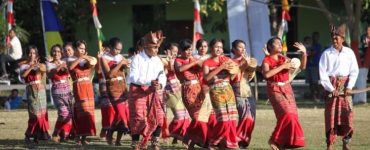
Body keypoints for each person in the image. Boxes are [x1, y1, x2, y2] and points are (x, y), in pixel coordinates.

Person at [261, 37, 307, 149]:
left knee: (293, 116)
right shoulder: (266, 61)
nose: (280, 45)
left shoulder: (284, 58)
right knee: (287, 114)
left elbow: (302, 67)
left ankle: (283, 143)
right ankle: (273, 140)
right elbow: (266, 75)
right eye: (277, 44)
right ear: (270, 47)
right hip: (274, 89)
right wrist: (282, 66)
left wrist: (304, 53)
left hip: (287, 88)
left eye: (280, 43)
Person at [319, 24, 359, 150]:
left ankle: (346, 143)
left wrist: (349, 87)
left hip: (345, 87)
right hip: (331, 88)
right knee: (331, 117)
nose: (335, 40)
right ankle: (330, 144)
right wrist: (331, 89)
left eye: (337, 38)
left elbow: (354, 71)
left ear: (343, 39)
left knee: (348, 114)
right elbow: (323, 74)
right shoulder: (326, 54)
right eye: (333, 38)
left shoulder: (349, 53)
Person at [127, 31, 166, 150]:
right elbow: (132, 77)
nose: (156, 50)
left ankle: (155, 143)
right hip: (138, 91)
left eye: (157, 47)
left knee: (159, 116)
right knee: (138, 117)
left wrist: (160, 84)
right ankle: (136, 144)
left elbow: (162, 75)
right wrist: (149, 81)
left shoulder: (157, 60)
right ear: (147, 46)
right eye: (154, 47)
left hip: (154, 91)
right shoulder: (137, 58)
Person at [202, 38, 239, 149]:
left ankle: (230, 143)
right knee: (223, 119)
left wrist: (234, 69)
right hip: (216, 90)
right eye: (216, 47)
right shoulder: (207, 62)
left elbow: (233, 75)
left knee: (232, 119)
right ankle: (213, 142)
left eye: (221, 47)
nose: (219, 49)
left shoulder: (227, 60)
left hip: (228, 89)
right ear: (211, 48)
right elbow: (207, 78)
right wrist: (221, 68)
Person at [175, 39, 210, 148]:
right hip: (188, 90)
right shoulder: (178, 60)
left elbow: (203, 67)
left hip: (199, 89)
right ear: (180, 50)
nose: (189, 52)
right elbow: (180, 69)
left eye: (190, 50)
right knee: (196, 117)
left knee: (203, 116)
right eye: (186, 50)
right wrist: (194, 62)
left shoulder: (192, 58)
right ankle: (200, 141)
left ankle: (190, 141)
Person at [101, 37, 130, 146]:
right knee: (120, 112)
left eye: (120, 49)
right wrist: (120, 63)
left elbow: (124, 72)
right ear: (110, 47)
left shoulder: (120, 57)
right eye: (116, 49)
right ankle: (111, 134)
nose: (118, 52)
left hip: (122, 85)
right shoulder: (104, 58)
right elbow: (109, 74)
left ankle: (116, 139)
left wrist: (126, 65)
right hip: (112, 86)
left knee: (122, 114)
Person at [68, 40, 97, 145]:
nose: (82, 50)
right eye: (80, 48)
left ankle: (84, 137)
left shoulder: (87, 60)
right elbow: (70, 68)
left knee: (88, 112)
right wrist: (81, 58)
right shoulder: (70, 60)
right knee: (81, 111)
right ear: (75, 49)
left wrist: (86, 58)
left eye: (84, 49)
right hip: (79, 87)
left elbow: (93, 63)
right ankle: (77, 136)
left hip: (88, 87)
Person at [161, 43, 190, 144]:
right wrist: (169, 60)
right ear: (166, 51)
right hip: (169, 91)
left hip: (179, 89)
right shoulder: (162, 60)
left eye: (177, 52)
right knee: (179, 116)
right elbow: (169, 70)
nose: (175, 54)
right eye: (173, 52)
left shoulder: (177, 60)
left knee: (185, 115)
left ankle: (175, 136)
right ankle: (179, 136)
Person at [20, 46, 50, 143]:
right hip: (31, 90)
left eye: (33, 53)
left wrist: (38, 65)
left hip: (40, 90)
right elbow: (23, 75)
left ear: (36, 55)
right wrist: (31, 66)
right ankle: (28, 134)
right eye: (29, 53)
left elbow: (44, 70)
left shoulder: (40, 65)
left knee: (42, 114)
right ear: (26, 54)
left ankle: (38, 136)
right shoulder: (23, 66)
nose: (31, 55)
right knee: (35, 115)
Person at [230, 39, 257, 148]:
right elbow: (232, 76)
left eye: (244, 47)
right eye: (240, 47)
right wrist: (244, 64)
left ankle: (242, 142)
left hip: (247, 89)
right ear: (234, 49)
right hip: (236, 90)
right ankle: (235, 140)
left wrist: (250, 66)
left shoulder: (249, 60)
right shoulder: (230, 62)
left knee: (252, 117)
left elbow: (250, 76)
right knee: (246, 117)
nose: (243, 49)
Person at [46, 44, 74, 143]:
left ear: (61, 53)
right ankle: (55, 133)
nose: (56, 53)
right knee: (63, 114)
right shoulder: (49, 64)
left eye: (58, 51)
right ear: (51, 53)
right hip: (57, 90)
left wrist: (65, 67)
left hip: (67, 89)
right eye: (54, 51)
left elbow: (69, 73)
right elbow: (49, 75)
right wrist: (59, 67)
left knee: (69, 114)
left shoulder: (65, 62)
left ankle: (63, 134)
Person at [95, 41, 115, 140]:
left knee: (112, 110)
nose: (107, 51)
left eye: (108, 49)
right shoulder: (100, 59)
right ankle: (105, 130)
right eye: (105, 49)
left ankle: (108, 131)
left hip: (114, 86)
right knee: (106, 110)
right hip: (104, 88)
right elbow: (98, 71)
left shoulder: (114, 59)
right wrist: (99, 59)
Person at [306, 32, 323, 101]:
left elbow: (312, 53)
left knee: (315, 82)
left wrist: (306, 53)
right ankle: (312, 95)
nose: (315, 38)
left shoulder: (318, 46)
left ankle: (318, 95)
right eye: (314, 36)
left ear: (318, 37)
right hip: (308, 65)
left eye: (316, 36)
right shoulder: (309, 45)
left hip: (315, 66)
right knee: (310, 82)